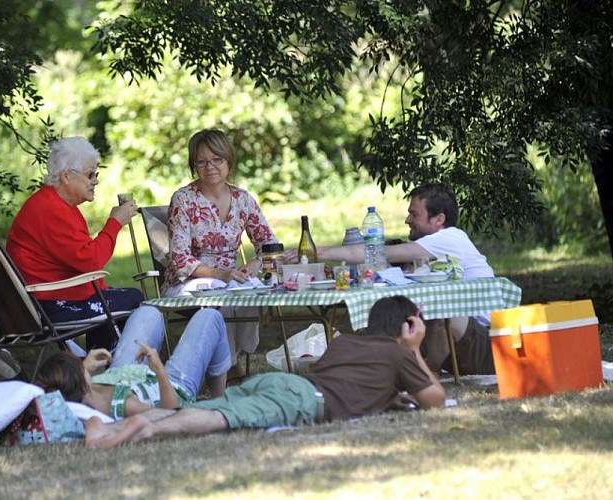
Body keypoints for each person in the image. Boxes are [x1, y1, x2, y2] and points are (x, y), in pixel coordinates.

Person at [81, 295, 445, 449]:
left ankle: (109, 427)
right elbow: (435, 400)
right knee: (220, 418)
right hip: (301, 398)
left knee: (205, 408)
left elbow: (354, 384)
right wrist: (413, 352)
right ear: (407, 326)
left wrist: (388, 397)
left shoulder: (348, 342)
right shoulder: (400, 355)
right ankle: (140, 430)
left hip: (285, 383)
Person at [287, 182, 496, 375]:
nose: (407, 220)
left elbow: (380, 253)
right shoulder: (431, 250)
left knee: (443, 311)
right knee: (399, 314)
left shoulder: (450, 238)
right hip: (456, 346)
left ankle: (426, 374)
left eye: (414, 214)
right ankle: (386, 370)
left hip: (486, 346)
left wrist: (318, 252)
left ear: (439, 219)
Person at [6, 136, 143, 351]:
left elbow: (81, 258)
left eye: (95, 174)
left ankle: (98, 368)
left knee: (113, 299)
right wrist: (115, 223)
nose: (95, 181)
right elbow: (91, 261)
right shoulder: (52, 210)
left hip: (44, 299)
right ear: (67, 177)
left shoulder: (52, 203)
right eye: (90, 174)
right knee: (135, 300)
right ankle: (113, 370)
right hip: (51, 305)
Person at [163, 128, 278, 379]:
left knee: (250, 288)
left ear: (229, 161)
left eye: (217, 159)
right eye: (201, 161)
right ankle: (227, 366)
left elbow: (270, 245)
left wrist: (255, 265)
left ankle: (235, 356)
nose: (210, 166)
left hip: (231, 277)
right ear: (194, 165)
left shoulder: (242, 199)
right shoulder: (183, 199)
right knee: (220, 292)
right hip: (188, 281)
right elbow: (180, 260)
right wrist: (221, 275)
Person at [33, 308, 231, 419]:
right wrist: (160, 371)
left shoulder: (75, 394)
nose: (82, 365)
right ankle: (221, 402)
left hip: (125, 373)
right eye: (79, 366)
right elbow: (171, 416)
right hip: (171, 386)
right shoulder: (124, 405)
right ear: (81, 383)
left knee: (148, 312)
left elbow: (65, 387)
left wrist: (85, 366)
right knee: (210, 317)